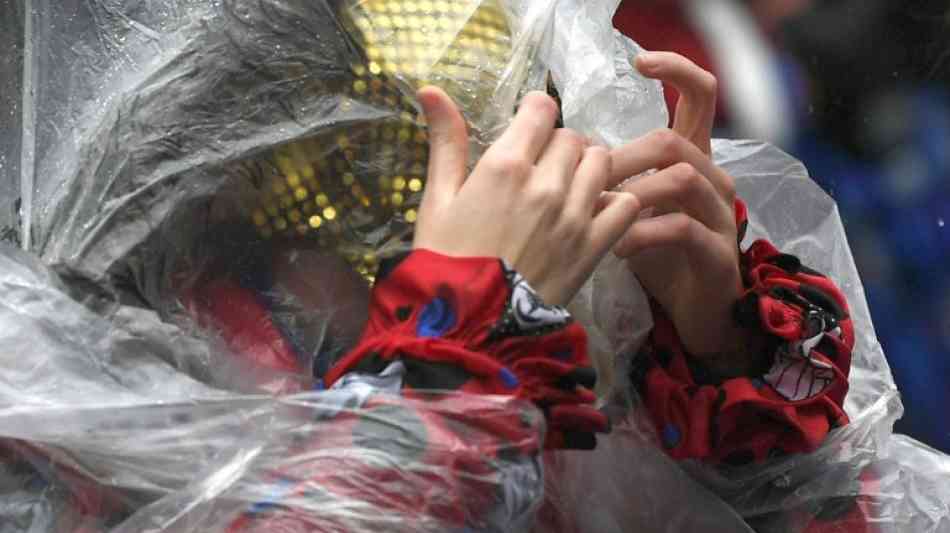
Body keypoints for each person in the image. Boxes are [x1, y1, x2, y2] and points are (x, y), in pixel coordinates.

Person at [176, 49, 856, 531]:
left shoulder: (568, 355)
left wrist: (720, 359)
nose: (495, 175)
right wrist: (454, 361)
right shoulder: (155, 383)